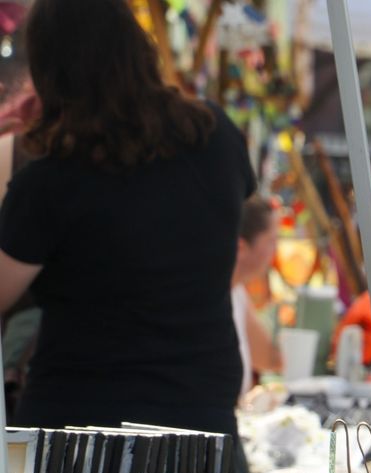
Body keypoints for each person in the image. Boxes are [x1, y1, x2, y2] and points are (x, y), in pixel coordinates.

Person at [0, 0, 255, 437]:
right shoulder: (216, 137)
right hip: (202, 424)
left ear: (50, 73)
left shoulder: (53, 179)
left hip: (80, 438)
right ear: (137, 47)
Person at [233, 196, 282, 397]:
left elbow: (271, 359)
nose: (275, 251)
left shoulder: (237, 292)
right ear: (241, 247)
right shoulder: (219, 295)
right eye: (271, 241)